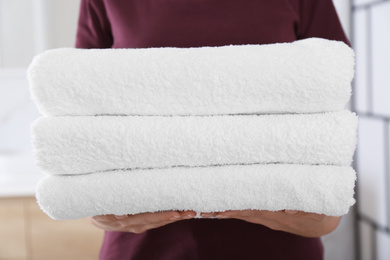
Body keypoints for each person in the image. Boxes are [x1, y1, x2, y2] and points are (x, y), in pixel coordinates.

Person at [75, 0, 350, 259]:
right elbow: (85, 106)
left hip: (279, 248)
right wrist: (94, 204)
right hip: (143, 250)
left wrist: (325, 216)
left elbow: (331, 83)